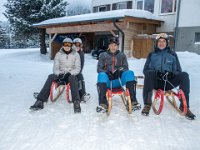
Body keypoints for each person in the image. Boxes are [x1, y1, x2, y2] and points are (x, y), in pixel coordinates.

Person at [141, 33, 196, 120]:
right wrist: (156, 73)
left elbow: (178, 70)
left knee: (184, 75)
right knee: (149, 74)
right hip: (156, 82)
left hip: (168, 82)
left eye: (163, 41)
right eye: (159, 41)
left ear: (167, 43)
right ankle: (147, 105)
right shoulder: (152, 54)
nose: (161, 43)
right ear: (156, 43)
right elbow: (145, 70)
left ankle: (184, 106)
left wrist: (172, 74)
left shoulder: (173, 55)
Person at [30, 37, 82, 113]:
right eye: (65, 44)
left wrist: (69, 73)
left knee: (73, 79)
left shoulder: (76, 54)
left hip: (71, 74)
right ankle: (40, 101)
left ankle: (76, 102)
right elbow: (55, 68)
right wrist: (60, 74)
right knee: (50, 76)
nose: (67, 46)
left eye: (69, 44)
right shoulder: (58, 54)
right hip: (61, 74)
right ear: (63, 45)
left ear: (71, 46)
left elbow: (78, 68)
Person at [96, 36, 141, 112]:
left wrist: (120, 71)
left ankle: (133, 101)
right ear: (108, 46)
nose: (113, 47)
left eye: (115, 45)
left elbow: (126, 67)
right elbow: (99, 69)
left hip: (119, 80)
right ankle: (103, 103)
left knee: (130, 73)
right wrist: (107, 72)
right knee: (101, 75)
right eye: (111, 45)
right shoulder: (103, 55)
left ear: (117, 46)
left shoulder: (122, 55)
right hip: (107, 81)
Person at [73, 38, 90, 102]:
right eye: (76, 45)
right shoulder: (70, 52)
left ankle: (82, 95)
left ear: (80, 46)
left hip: (77, 70)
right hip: (69, 70)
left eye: (79, 45)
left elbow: (81, 64)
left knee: (80, 77)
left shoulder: (81, 53)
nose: (77, 47)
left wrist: (78, 72)